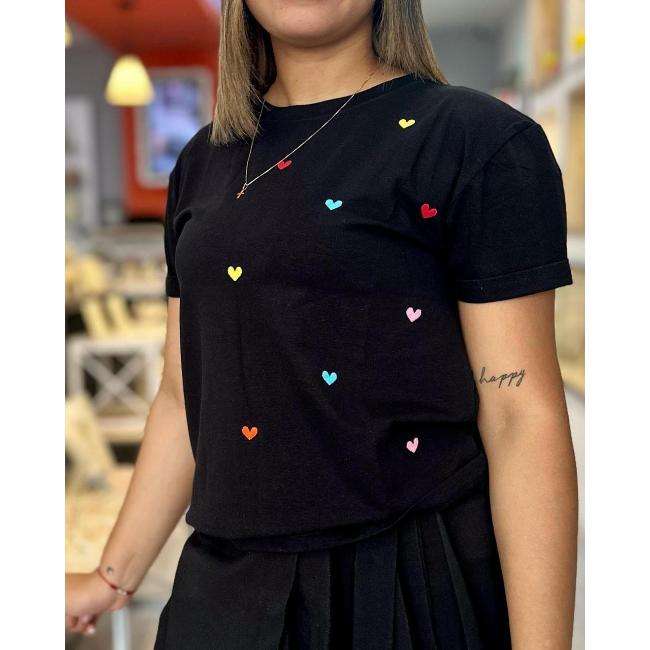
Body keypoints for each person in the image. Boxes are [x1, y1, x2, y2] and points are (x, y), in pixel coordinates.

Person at [65, 1, 578, 647]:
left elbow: (519, 416)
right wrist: (111, 576)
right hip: (224, 586)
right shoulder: (203, 160)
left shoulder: (478, 140)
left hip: (407, 583)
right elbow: (182, 394)